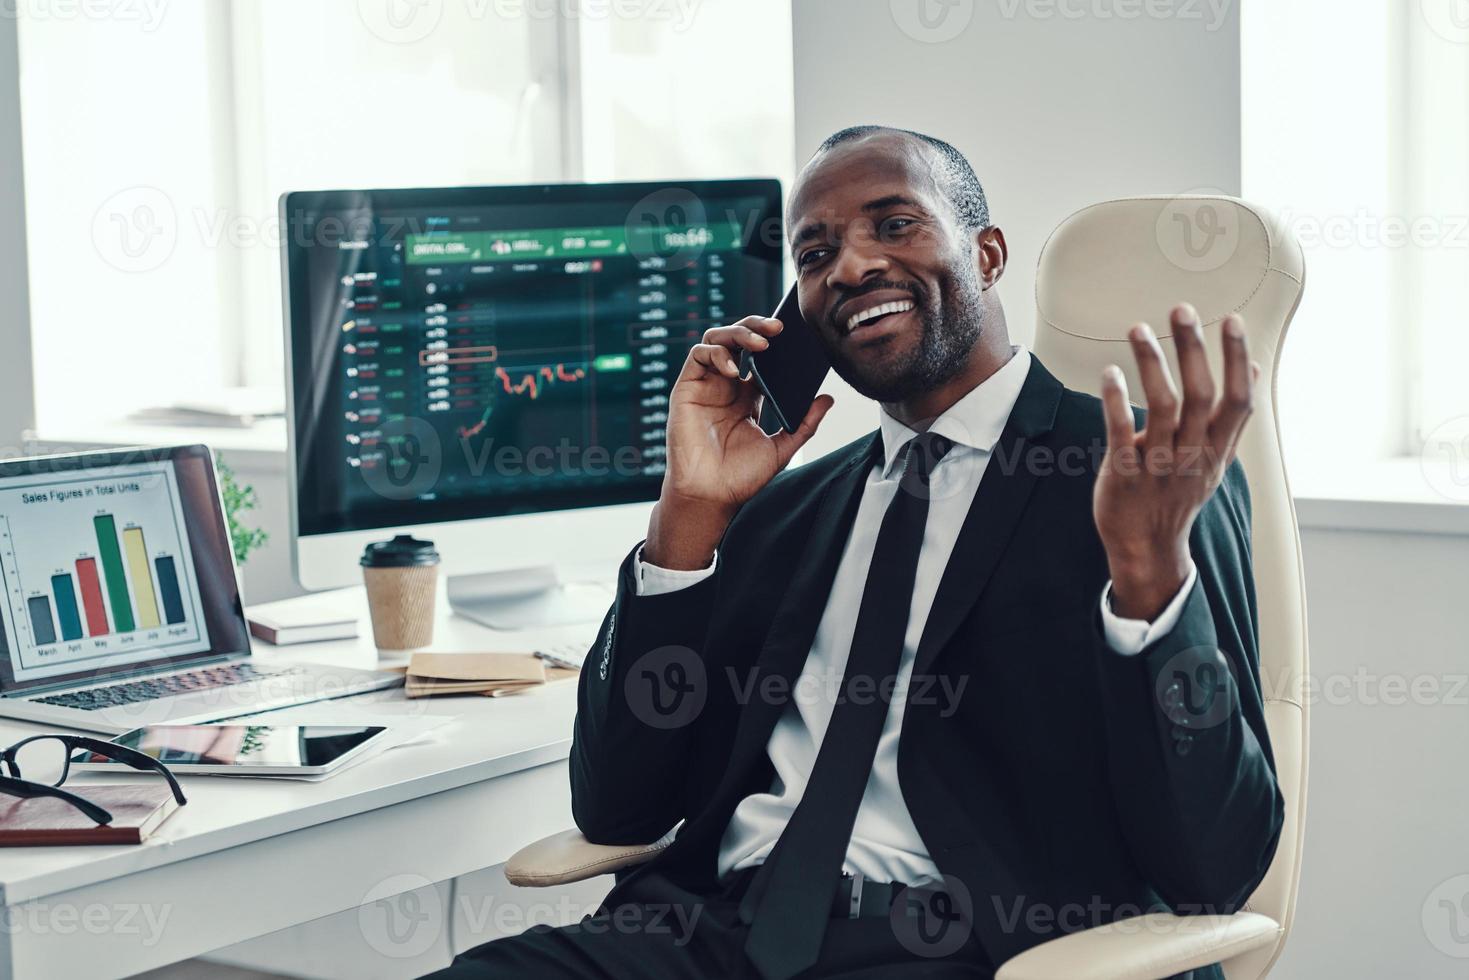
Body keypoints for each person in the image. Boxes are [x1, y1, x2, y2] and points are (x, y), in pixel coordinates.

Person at [429, 126, 1284, 979]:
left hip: (975, 950)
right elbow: (619, 806)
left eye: (895, 224)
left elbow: (1212, 865)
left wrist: (1148, 580)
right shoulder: (783, 512)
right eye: (815, 252)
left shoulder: (1132, 474)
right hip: (709, 937)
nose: (849, 266)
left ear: (986, 255)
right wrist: (684, 522)